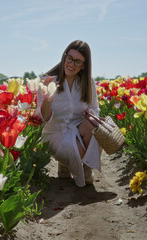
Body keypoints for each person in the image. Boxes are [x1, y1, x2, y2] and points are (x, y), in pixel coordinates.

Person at [36, 40, 101, 187]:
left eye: (77, 62)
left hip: (77, 129)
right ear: (64, 56)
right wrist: (47, 96)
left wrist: (91, 117)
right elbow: (44, 118)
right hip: (55, 132)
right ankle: (65, 163)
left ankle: (85, 168)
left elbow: (95, 108)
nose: (71, 64)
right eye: (69, 58)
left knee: (93, 125)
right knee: (79, 152)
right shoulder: (48, 81)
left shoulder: (88, 82)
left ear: (84, 65)